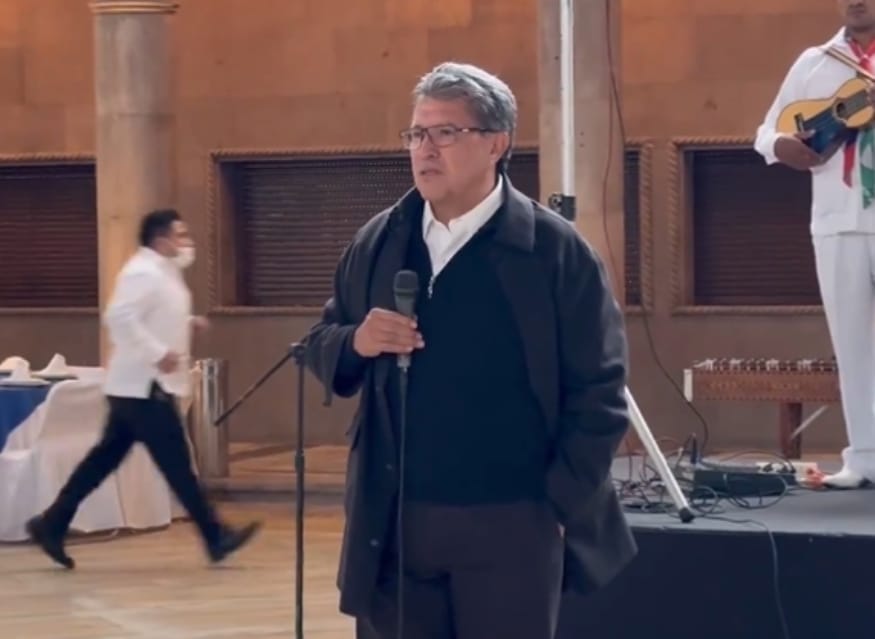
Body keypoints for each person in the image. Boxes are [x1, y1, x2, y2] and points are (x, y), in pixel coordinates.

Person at [304, 62, 636, 639]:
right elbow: (319, 340)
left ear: (497, 144)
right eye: (416, 134)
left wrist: (558, 503)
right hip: (394, 521)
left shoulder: (554, 252)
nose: (425, 150)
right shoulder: (380, 240)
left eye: (446, 132)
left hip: (512, 521)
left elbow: (600, 392)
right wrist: (357, 340)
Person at [27, 209, 260, 568]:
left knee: (101, 462)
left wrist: (186, 323)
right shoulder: (142, 271)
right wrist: (157, 353)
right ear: (161, 239)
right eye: (180, 235)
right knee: (177, 466)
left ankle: (51, 523)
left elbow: (153, 315)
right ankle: (215, 536)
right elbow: (119, 317)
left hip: (138, 389)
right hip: (144, 388)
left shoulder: (163, 272)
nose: (186, 242)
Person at [755, 0, 875, 488]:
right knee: (852, 346)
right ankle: (864, 459)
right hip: (836, 220)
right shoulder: (815, 62)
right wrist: (781, 146)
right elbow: (767, 131)